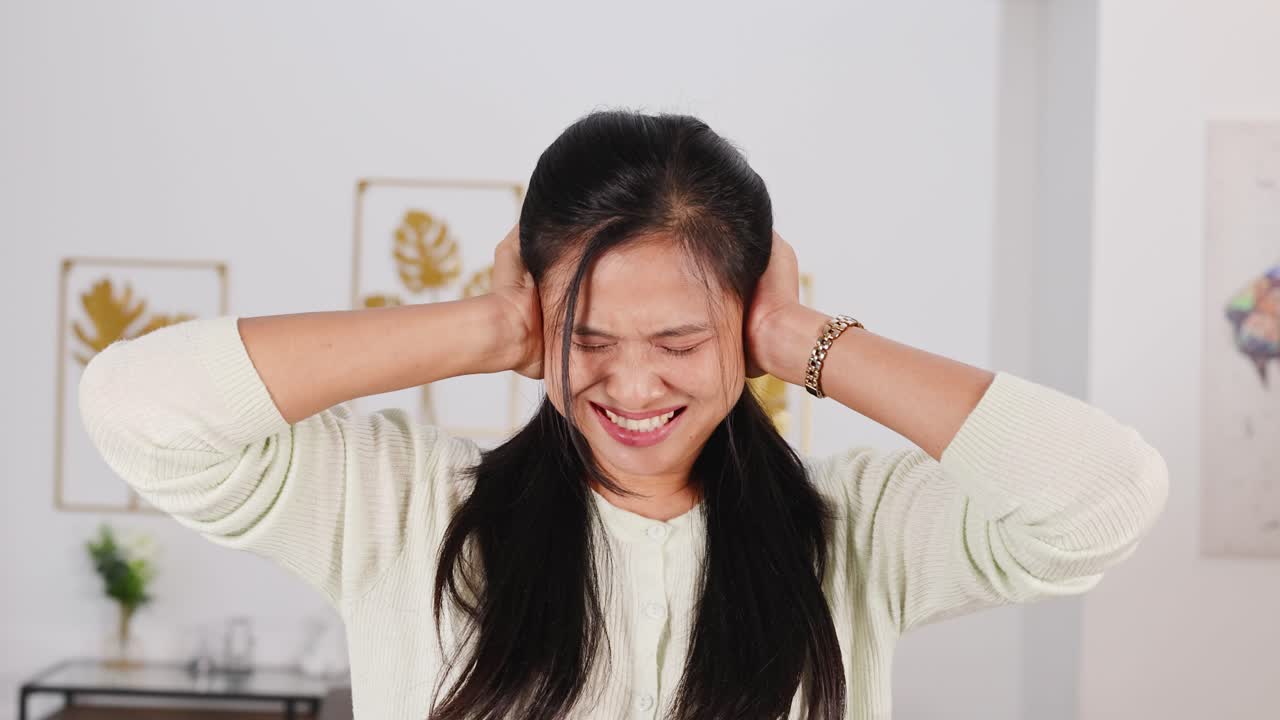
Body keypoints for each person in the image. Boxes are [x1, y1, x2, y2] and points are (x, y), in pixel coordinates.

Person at [78, 110, 1169, 720]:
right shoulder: (399, 508)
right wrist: (488, 325)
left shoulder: (856, 534)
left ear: (745, 321)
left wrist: (803, 343)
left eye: (682, 344)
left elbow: (1101, 499)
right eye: (585, 339)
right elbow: (139, 410)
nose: (632, 389)